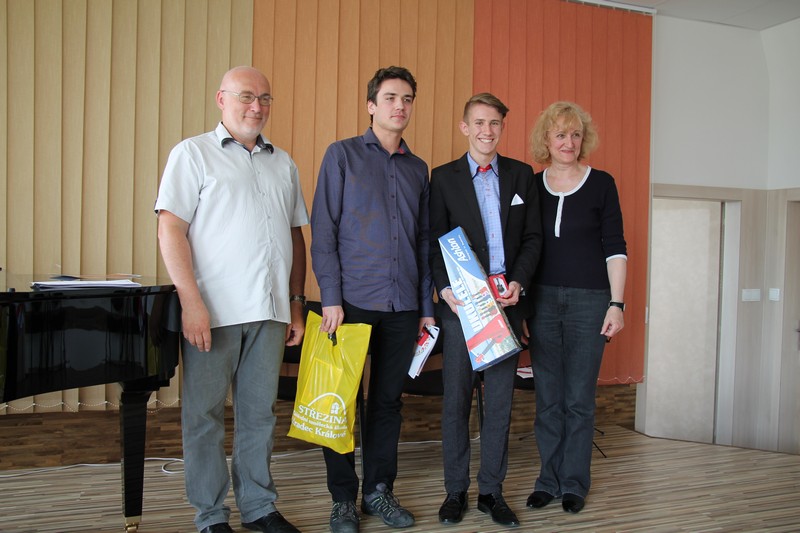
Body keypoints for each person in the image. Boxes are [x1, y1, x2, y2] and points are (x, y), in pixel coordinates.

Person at [155, 66, 308, 533]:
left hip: (271, 311)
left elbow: (294, 237)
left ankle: (259, 507)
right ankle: (210, 516)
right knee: (204, 416)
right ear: (221, 99)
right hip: (213, 312)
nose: (256, 107)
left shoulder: (283, 163)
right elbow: (170, 229)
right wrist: (191, 302)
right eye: (246, 96)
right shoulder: (192, 154)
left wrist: (296, 302)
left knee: (260, 415)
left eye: (265, 98)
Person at [310, 66, 435, 533]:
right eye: (390, 98)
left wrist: (426, 308)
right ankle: (343, 499)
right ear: (371, 105)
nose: (399, 106)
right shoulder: (341, 155)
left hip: (403, 306)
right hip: (350, 303)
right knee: (339, 403)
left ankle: (379, 491)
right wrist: (331, 298)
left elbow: (423, 241)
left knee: (386, 403)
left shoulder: (417, 169)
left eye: (407, 99)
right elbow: (324, 231)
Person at [429, 93, 543, 528]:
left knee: (498, 405)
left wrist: (520, 282)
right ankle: (455, 491)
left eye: (494, 123)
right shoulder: (443, 178)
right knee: (456, 402)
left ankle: (491, 492)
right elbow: (433, 241)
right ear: (465, 127)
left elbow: (532, 238)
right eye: (478, 123)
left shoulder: (521, 175)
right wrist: (444, 289)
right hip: (462, 309)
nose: (486, 131)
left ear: (502, 128)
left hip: (506, 306)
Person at [525, 101, 627, 514]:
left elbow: (615, 247)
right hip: (543, 302)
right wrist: (522, 307)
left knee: (579, 400)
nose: (568, 142)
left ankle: (573, 484)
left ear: (584, 140)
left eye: (576, 134)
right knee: (548, 399)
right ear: (546, 139)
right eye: (560, 134)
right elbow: (523, 249)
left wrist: (616, 304)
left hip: (591, 302)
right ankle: (547, 481)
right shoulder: (532, 186)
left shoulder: (602, 184)